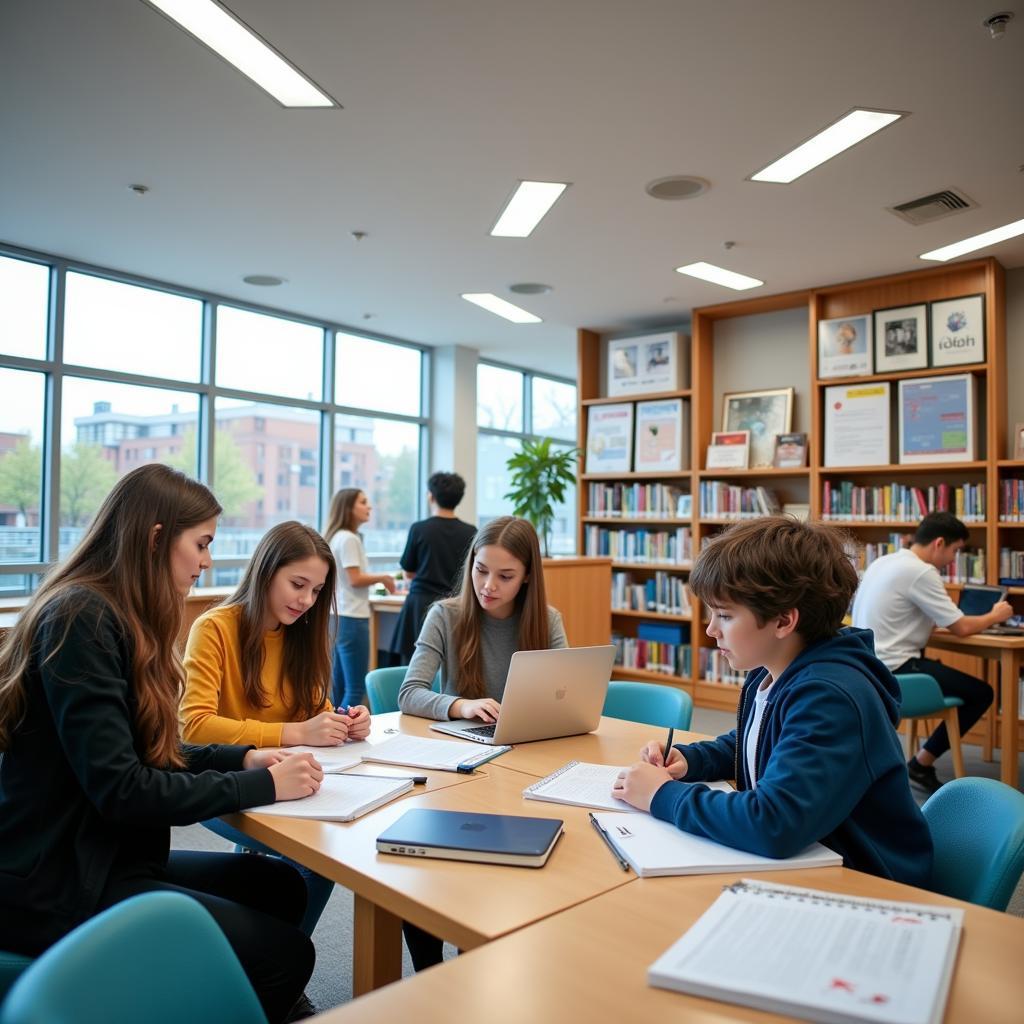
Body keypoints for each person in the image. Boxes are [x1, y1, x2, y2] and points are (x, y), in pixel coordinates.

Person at [0, 465, 323, 1024]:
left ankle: (209, 994)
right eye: (200, 544)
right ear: (155, 538)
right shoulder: (82, 618)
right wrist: (260, 783)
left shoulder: (115, 614)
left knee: (278, 888)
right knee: (286, 956)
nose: (205, 560)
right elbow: (124, 790)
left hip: (105, 856)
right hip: (57, 879)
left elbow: (147, 754)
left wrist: (242, 756)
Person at [612, 516, 933, 889]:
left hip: (869, 883)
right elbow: (759, 741)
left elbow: (774, 823)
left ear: (783, 621)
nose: (710, 630)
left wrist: (662, 795)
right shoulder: (773, 669)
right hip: (813, 861)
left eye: (725, 616)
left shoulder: (830, 696)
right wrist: (693, 760)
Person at [181, 520, 371, 937]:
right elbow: (193, 728)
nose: (306, 600)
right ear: (267, 570)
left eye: (317, 591)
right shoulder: (214, 628)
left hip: (292, 787)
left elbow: (316, 712)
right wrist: (296, 733)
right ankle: (282, 969)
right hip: (228, 784)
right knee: (317, 861)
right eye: (298, 584)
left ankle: (273, 959)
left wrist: (346, 722)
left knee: (329, 847)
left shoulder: (300, 635)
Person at [397, 515, 568, 969]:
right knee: (429, 872)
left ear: (528, 575)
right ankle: (432, 974)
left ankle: (477, 964)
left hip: (526, 767)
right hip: (459, 771)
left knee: (517, 872)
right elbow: (409, 692)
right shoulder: (446, 614)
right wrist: (460, 706)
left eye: (505, 576)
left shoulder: (547, 621)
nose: (488, 585)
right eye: (480, 570)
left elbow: (567, 697)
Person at [851, 511, 1011, 794]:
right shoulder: (921, 571)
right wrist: (995, 615)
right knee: (982, 693)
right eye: (955, 550)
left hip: (868, 666)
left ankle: (920, 761)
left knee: (958, 681)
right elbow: (961, 627)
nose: (953, 559)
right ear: (939, 543)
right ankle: (921, 763)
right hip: (897, 670)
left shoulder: (885, 561)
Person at [388, 471, 477, 665]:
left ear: (431, 496)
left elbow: (408, 572)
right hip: (456, 603)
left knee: (414, 664)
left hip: (420, 604)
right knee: (450, 662)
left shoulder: (420, 528)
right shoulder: (471, 532)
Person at [323, 488, 397, 708]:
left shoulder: (337, 537)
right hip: (353, 617)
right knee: (355, 689)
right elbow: (354, 578)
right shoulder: (348, 539)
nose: (369, 507)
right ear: (348, 508)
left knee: (339, 688)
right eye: (363, 502)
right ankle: (343, 732)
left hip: (338, 616)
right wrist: (383, 577)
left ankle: (334, 728)